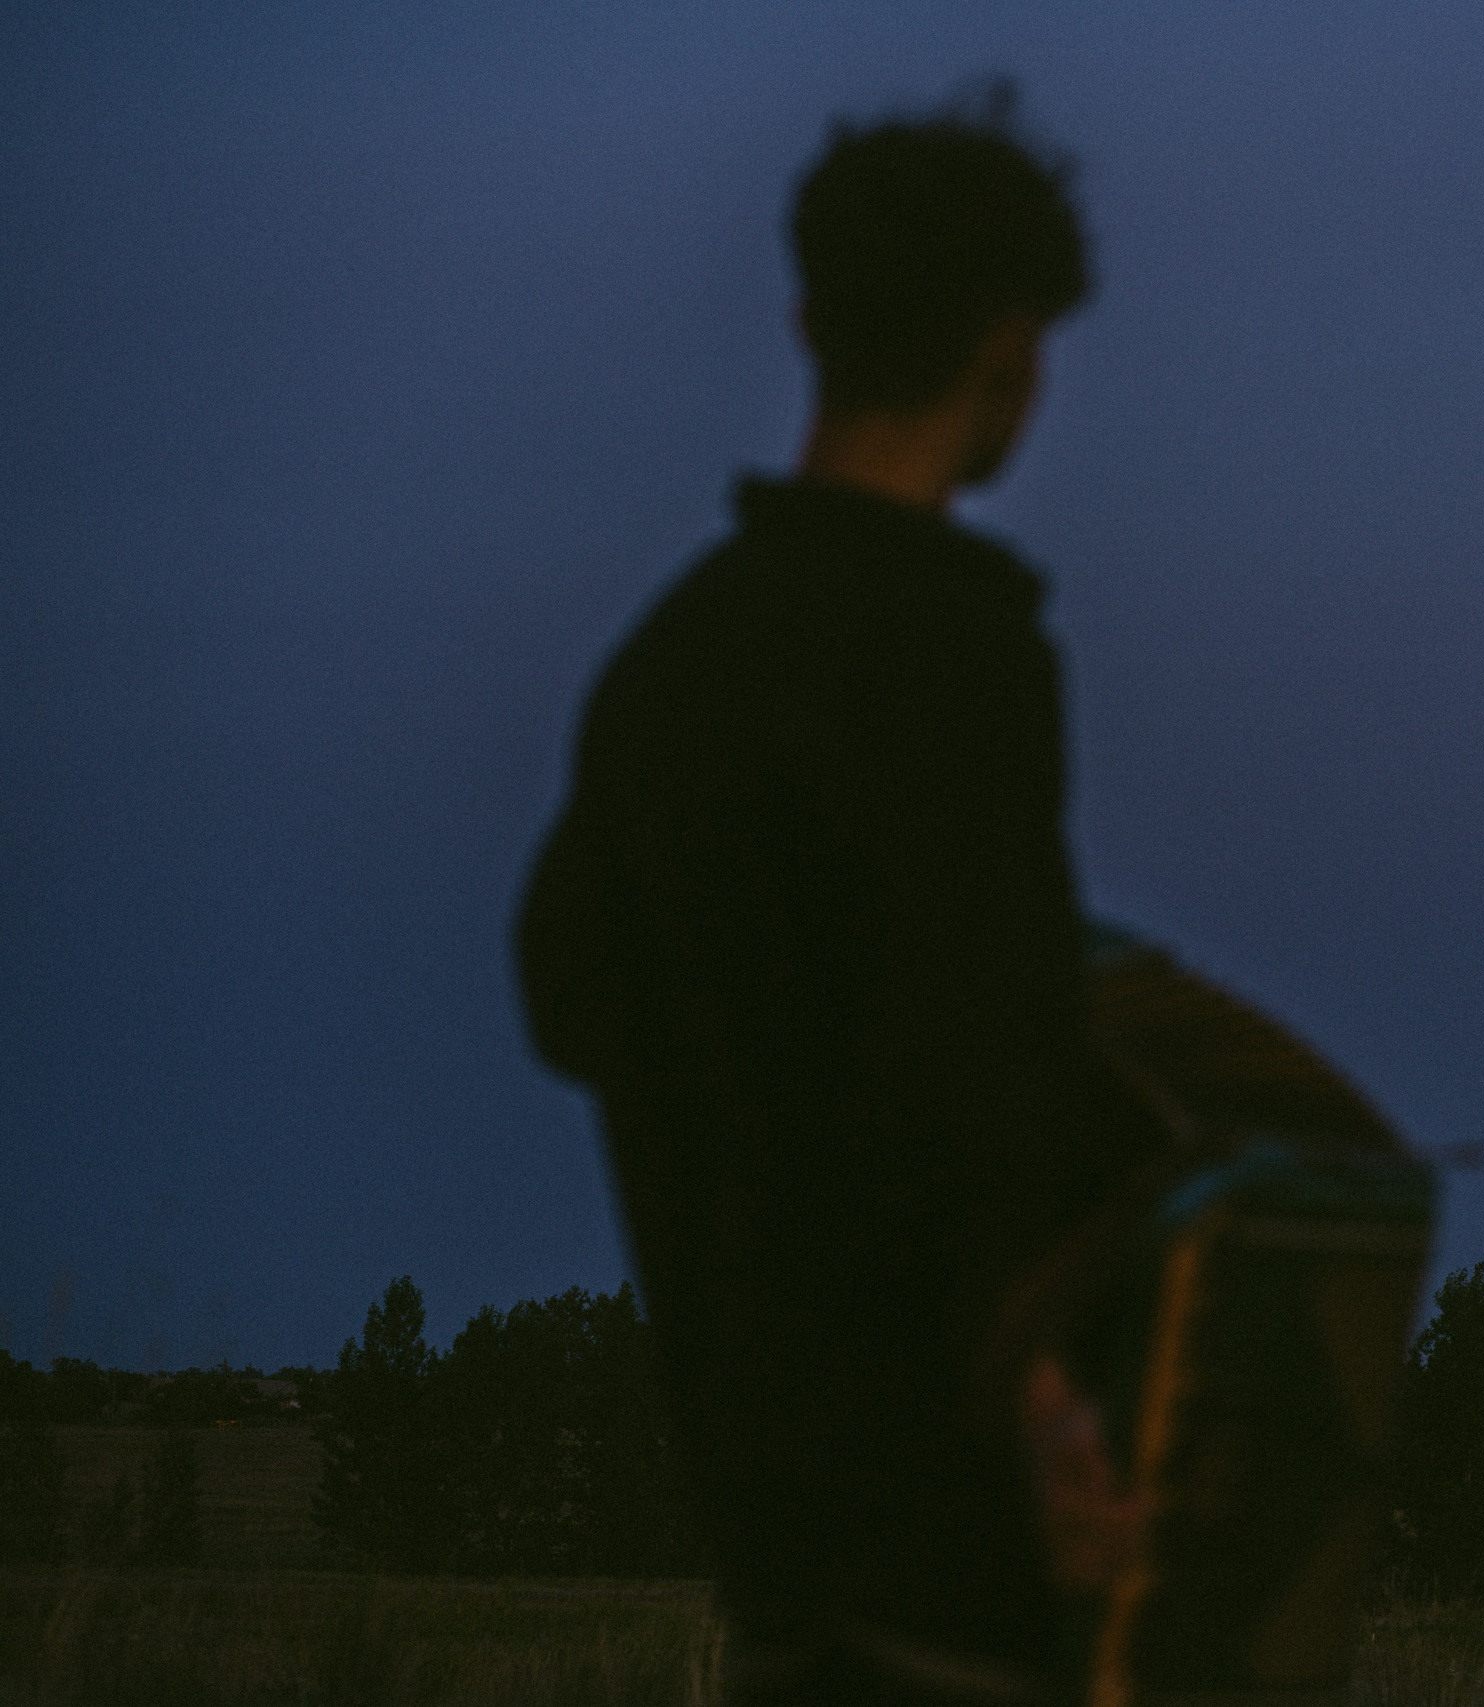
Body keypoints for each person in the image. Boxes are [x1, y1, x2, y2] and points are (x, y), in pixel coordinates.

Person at [514, 91, 1153, 1705]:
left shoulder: (665, 670)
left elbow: (568, 990)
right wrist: (1055, 1433)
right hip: (961, 1565)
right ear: (1012, 354)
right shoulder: (957, 659)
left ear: (811, 320)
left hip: (779, 1550)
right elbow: (982, 1085)